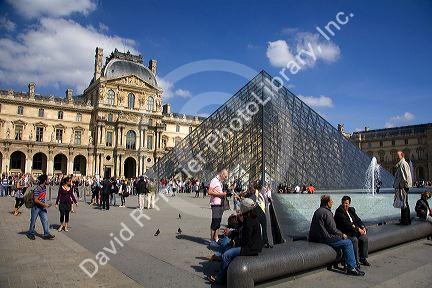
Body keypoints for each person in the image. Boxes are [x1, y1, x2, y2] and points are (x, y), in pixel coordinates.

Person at [209, 198, 263, 284]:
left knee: (226, 255)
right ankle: (223, 272)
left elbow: (246, 239)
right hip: (252, 246)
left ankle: (221, 279)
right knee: (227, 248)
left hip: (250, 248)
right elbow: (243, 234)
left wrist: (235, 242)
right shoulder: (253, 217)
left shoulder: (248, 221)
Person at [309, 195, 365, 276]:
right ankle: (351, 267)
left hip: (316, 237)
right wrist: (342, 234)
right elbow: (332, 229)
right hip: (324, 238)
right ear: (327, 203)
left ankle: (349, 263)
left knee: (346, 240)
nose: (332, 202)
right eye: (331, 201)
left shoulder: (318, 211)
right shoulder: (327, 213)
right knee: (348, 242)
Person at [334, 196, 370, 267]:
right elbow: (347, 224)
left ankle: (362, 258)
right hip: (345, 232)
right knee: (354, 240)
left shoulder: (351, 210)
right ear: (341, 203)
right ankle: (356, 262)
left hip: (353, 231)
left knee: (364, 238)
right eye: (343, 203)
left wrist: (363, 227)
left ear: (349, 203)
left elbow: (358, 219)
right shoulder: (339, 211)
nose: (345, 205)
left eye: (347, 203)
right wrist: (358, 229)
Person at [27, 174, 55, 240]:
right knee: (33, 221)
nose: (49, 181)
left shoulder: (44, 187)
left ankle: (46, 234)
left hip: (42, 207)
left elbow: (41, 198)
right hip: (36, 207)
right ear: (45, 180)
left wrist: (44, 204)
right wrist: (44, 204)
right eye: (47, 179)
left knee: (45, 220)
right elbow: (36, 200)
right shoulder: (37, 188)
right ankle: (30, 233)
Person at [208, 168, 228, 246]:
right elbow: (209, 192)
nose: (226, 178)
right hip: (215, 204)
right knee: (215, 222)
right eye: (225, 176)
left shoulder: (219, 181)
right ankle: (212, 240)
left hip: (220, 204)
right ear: (222, 174)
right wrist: (221, 194)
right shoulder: (214, 181)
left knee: (218, 222)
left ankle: (216, 238)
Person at [393, 151, 412, 225]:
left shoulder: (403, 164)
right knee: (403, 203)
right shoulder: (400, 164)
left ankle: (406, 221)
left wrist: (404, 186)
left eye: (398, 156)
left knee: (404, 203)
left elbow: (405, 176)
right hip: (401, 186)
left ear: (402, 155)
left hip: (403, 186)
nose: (396, 157)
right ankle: (404, 219)